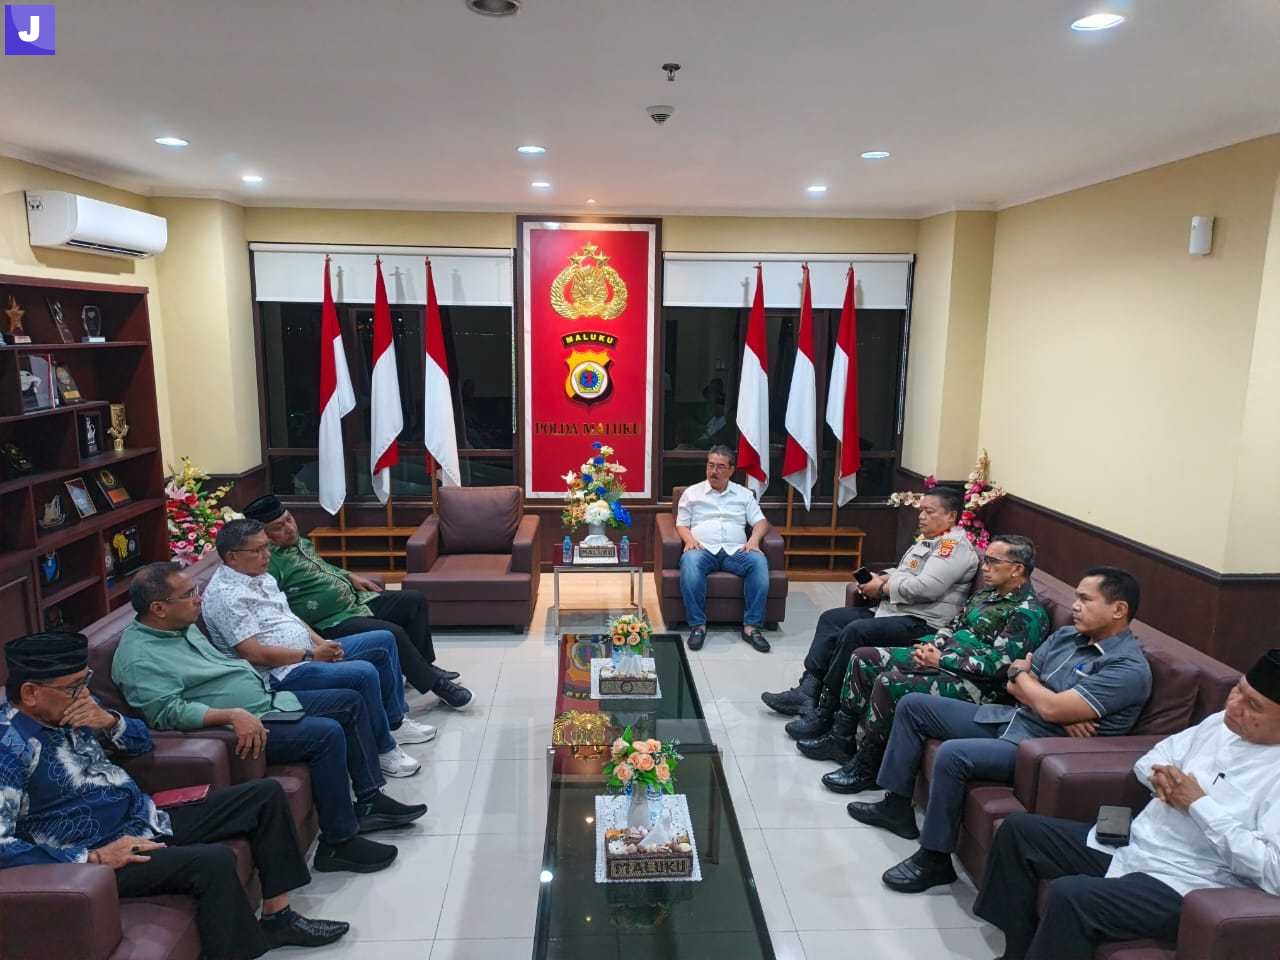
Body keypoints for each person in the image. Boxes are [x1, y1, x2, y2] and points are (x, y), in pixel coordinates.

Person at [1, 631, 350, 957]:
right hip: (108, 851)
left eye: (86, 682)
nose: (85, 695)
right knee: (213, 861)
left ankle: (278, 919)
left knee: (264, 796)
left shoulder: (75, 711)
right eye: (74, 688)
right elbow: (3, 845)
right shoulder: (9, 747)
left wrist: (108, 722)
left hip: (145, 817)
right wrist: (94, 858)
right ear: (31, 693)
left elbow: (141, 742)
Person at [847, 567, 1153, 894]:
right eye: (1076, 597)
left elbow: (1040, 697)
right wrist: (1050, 701)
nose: (1075, 606)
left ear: (1118, 609)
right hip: (1012, 716)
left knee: (952, 754)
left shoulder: (1126, 668)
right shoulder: (1067, 636)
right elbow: (1014, 677)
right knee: (913, 705)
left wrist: (1043, 698)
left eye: (1085, 599)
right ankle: (896, 805)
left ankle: (934, 859)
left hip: (1042, 747)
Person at [114, 562, 426, 875]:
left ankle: (369, 800)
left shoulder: (179, 626)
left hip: (266, 700)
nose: (199, 599)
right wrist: (231, 714)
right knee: (327, 733)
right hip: (237, 727)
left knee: (349, 702)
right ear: (158, 608)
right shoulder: (139, 658)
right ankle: (338, 842)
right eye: (188, 594)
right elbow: (167, 712)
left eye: (195, 590)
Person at [974, 651, 1280, 960]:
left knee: (1071, 895)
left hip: (1189, 882)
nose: (1234, 705)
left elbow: (1272, 871)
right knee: (1018, 831)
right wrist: (1160, 778)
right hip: (1137, 842)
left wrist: (1198, 805)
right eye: (1238, 689)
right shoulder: (1219, 724)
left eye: (1253, 705)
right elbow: (1155, 756)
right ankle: (1017, 950)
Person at [802, 534, 1050, 792]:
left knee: (890, 683)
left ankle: (868, 766)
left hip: (976, 685)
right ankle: (841, 739)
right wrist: (934, 646)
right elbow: (953, 625)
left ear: (1016, 569)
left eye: (992, 562)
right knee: (864, 658)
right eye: (984, 560)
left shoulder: (1027, 614)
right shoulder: (987, 594)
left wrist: (942, 659)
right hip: (944, 659)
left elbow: (999, 666)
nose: (984, 567)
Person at [201, 518, 429, 778]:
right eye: (258, 550)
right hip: (278, 673)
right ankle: (383, 749)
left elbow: (290, 618)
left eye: (266, 547)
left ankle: (395, 723)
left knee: (384, 640)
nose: (267, 555)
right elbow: (253, 653)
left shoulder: (259, 575)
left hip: (307, 653)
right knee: (363, 673)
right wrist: (311, 655)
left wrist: (322, 644)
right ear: (232, 556)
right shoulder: (226, 596)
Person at [764, 486, 979, 739]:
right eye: (921, 510)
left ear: (951, 516)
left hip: (924, 624)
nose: (921, 516)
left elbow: (927, 587)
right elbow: (907, 572)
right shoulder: (932, 540)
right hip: (898, 612)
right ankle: (807, 691)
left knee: (856, 631)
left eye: (929, 512)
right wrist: (881, 577)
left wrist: (883, 588)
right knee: (832, 619)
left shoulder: (953, 548)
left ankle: (827, 711)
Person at [241, 495, 471, 709]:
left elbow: (322, 568)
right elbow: (277, 607)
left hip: (356, 601)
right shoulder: (268, 563)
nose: (289, 528)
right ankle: (437, 686)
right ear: (263, 535)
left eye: (289, 519)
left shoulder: (300, 542)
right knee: (393, 633)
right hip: (331, 621)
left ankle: (422, 666)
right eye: (278, 527)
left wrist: (348, 575)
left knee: (414, 600)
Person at [675, 444, 773, 653]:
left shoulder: (744, 494)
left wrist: (754, 540)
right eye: (710, 465)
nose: (714, 471)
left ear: (731, 470)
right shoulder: (692, 493)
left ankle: (751, 627)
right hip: (703, 550)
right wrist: (689, 539)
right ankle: (698, 626)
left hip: (736, 551)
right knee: (690, 561)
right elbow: (681, 523)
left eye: (720, 467)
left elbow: (761, 522)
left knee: (759, 561)